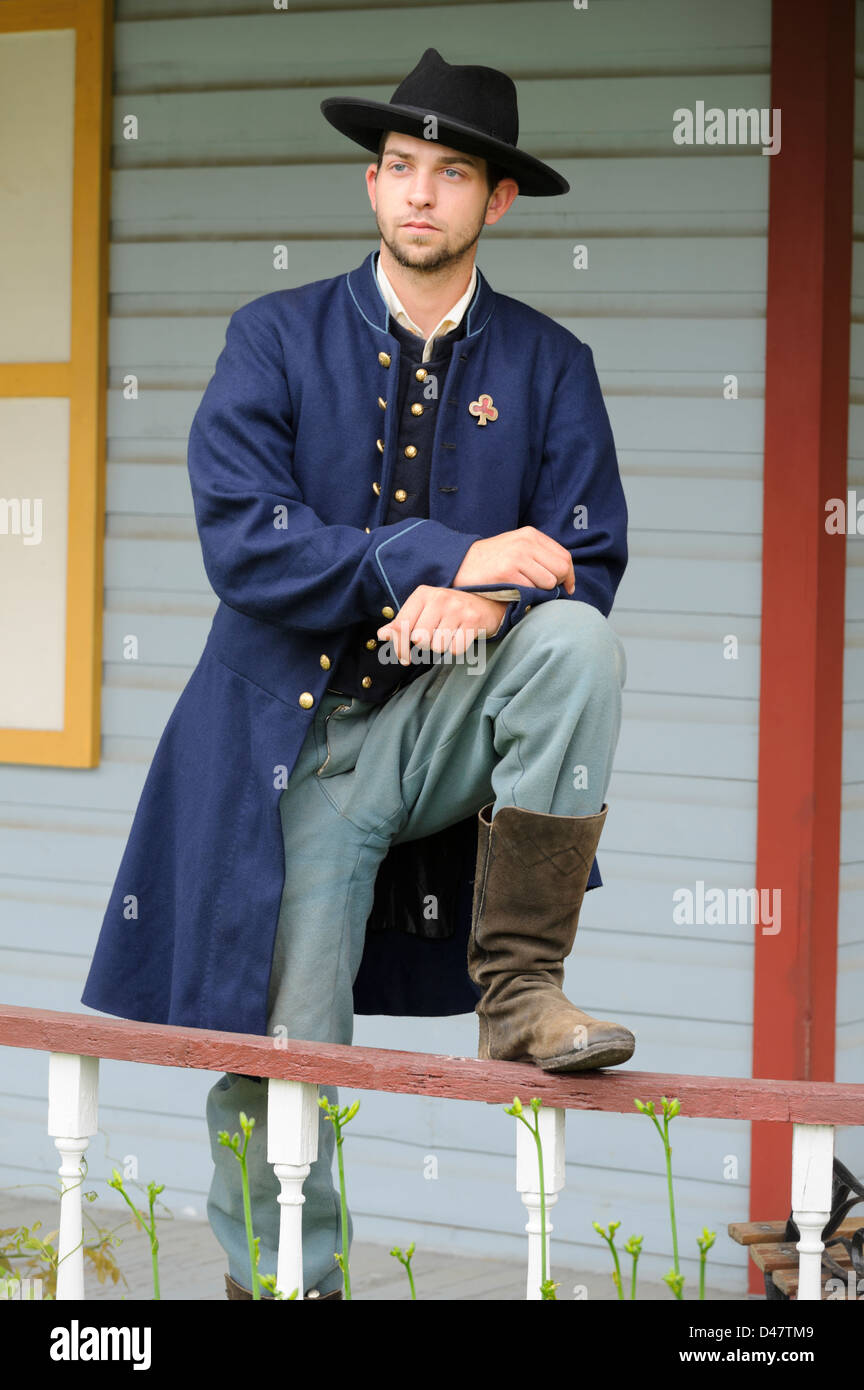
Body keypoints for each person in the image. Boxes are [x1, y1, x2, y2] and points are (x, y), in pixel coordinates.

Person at [81, 46, 634, 1301]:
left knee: (576, 641)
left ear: (497, 201)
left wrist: (479, 595)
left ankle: (524, 990)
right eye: (397, 168)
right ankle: (285, 1287)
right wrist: (429, 556)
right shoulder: (271, 336)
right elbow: (246, 540)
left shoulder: (551, 365)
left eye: (450, 173)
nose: (419, 194)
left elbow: (587, 557)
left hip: (440, 730)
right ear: (371, 186)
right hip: (296, 747)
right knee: (288, 1046)